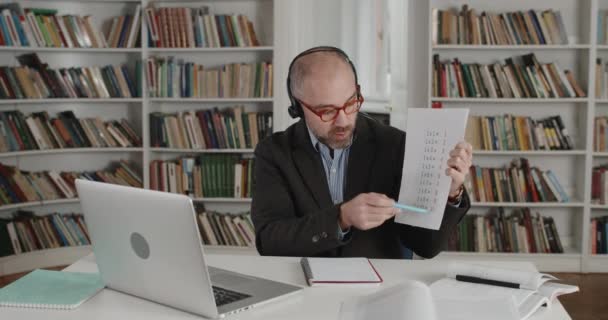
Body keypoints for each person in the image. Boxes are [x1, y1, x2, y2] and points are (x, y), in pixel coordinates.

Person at [251, 46, 472, 259]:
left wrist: (451, 193)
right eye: (326, 111)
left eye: (350, 103)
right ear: (297, 108)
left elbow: (427, 246)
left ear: (357, 92)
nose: (343, 121)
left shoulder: (397, 145)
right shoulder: (274, 153)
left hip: (381, 290)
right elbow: (269, 241)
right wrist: (341, 218)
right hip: (302, 286)